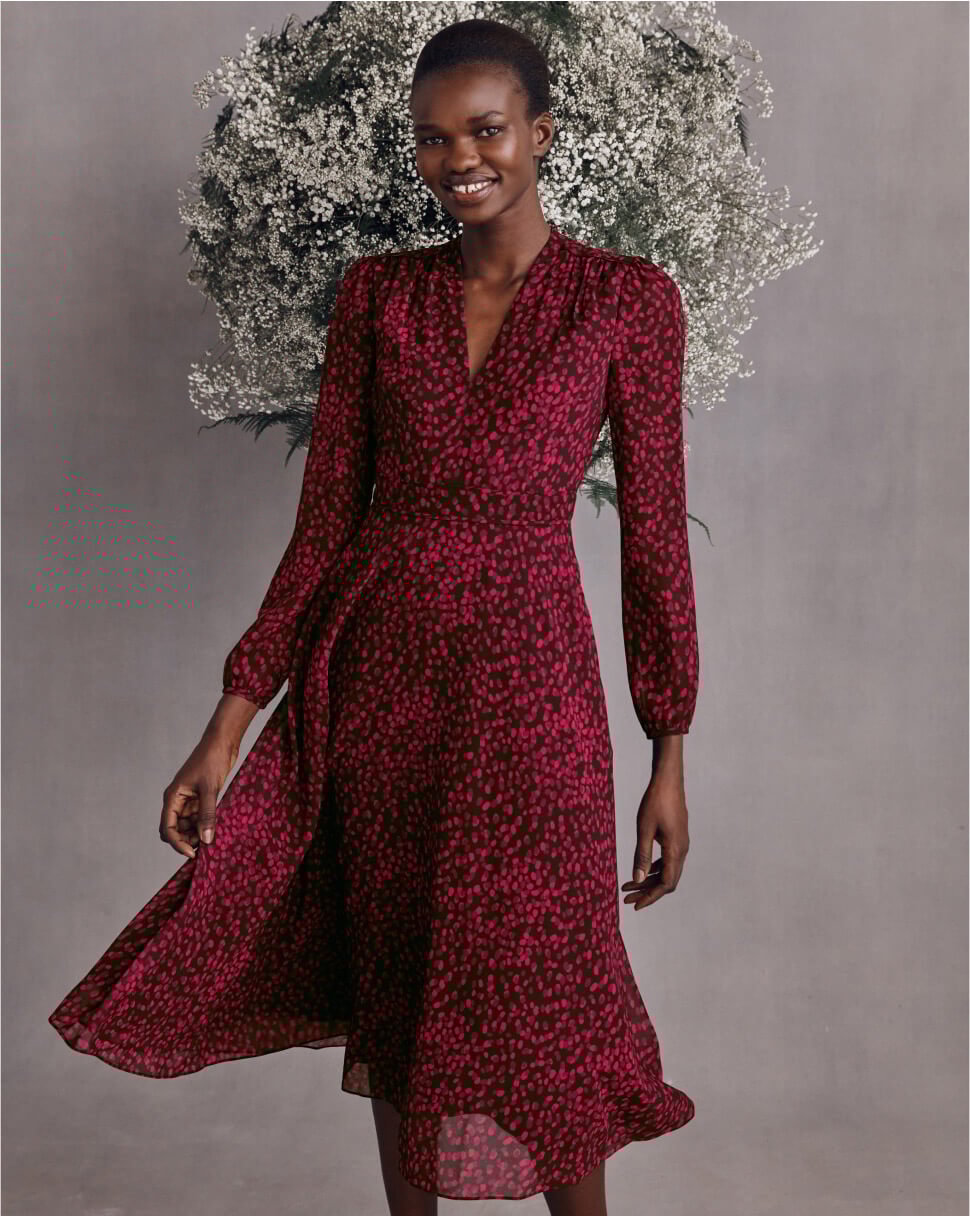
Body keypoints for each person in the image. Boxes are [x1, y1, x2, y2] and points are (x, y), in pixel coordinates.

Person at [49, 17, 699, 1216]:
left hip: (534, 699)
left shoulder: (626, 300)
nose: (460, 159)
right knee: (402, 994)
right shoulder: (376, 300)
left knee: (542, 1005)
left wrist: (668, 750)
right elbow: (322, 534)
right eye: (432, 139)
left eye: (487, 130)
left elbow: (654, 541)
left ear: (540, 134)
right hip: (380, 696)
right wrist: (228, 726)